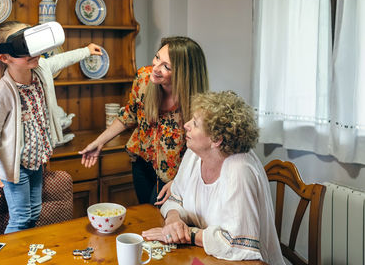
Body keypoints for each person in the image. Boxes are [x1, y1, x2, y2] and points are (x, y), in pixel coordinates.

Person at [0, 20, 102, 233]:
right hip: (15, 167)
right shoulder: (2, 93)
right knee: (21, 217)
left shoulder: (41, 69)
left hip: (37, 160)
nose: (34, 52)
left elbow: (61, 59)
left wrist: (86, 51)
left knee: (34, 213)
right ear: (4, 57)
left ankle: (27, 255)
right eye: (23, 47)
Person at [141, 91, 285, 264]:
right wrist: (173, 221)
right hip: (206, 257)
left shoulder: (240, 170)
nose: (186, 125)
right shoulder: (195, 154)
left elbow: (236, 244)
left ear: (216, 140)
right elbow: (176, 198)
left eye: (194, 123)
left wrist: (187, 234)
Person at [79, 36, 209, 204]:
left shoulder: (197, 105)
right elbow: (128, 116)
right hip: (142, 162)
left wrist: (179, 181)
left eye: (166, 66)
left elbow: (201, 153)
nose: (155, 68)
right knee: (145, 211)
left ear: (184, 73)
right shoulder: (143, 79)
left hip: (173, 174)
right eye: (157, 58)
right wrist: (99, 142)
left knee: (160, 220)